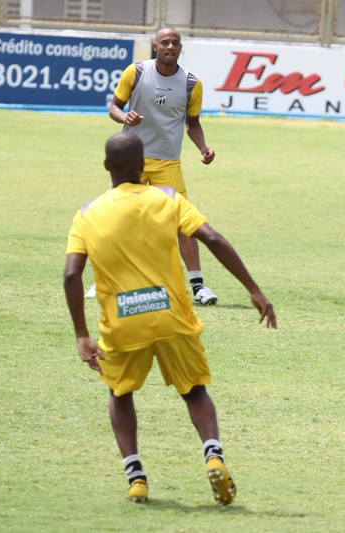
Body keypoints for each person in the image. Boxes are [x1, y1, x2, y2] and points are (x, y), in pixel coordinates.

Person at [64, 132, 277, 504]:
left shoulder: (86, 214)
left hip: (123, 322)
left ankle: (137, 479)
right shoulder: (168, 198)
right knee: (194, 391)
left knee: (120, 392)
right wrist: (254, 290)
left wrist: (82, 334)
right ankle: (213, 454)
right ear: (144, 165)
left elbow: (71, 275)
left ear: (105, 166)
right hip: (172, 316)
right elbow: (212, 238)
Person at [86, 26, 219, 306]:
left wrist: (203, 148)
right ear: (155, 46)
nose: (170, 47)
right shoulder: (135, 72)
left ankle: (198, 287)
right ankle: (103, 281)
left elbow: (192, 123)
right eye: (165, 42)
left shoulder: (191, 84)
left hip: (167, 162)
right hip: (130, 162)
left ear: (181, 48)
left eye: (175, 43)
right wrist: (125, 116)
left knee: (183, 222)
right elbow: (113, 107)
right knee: (116, 219)